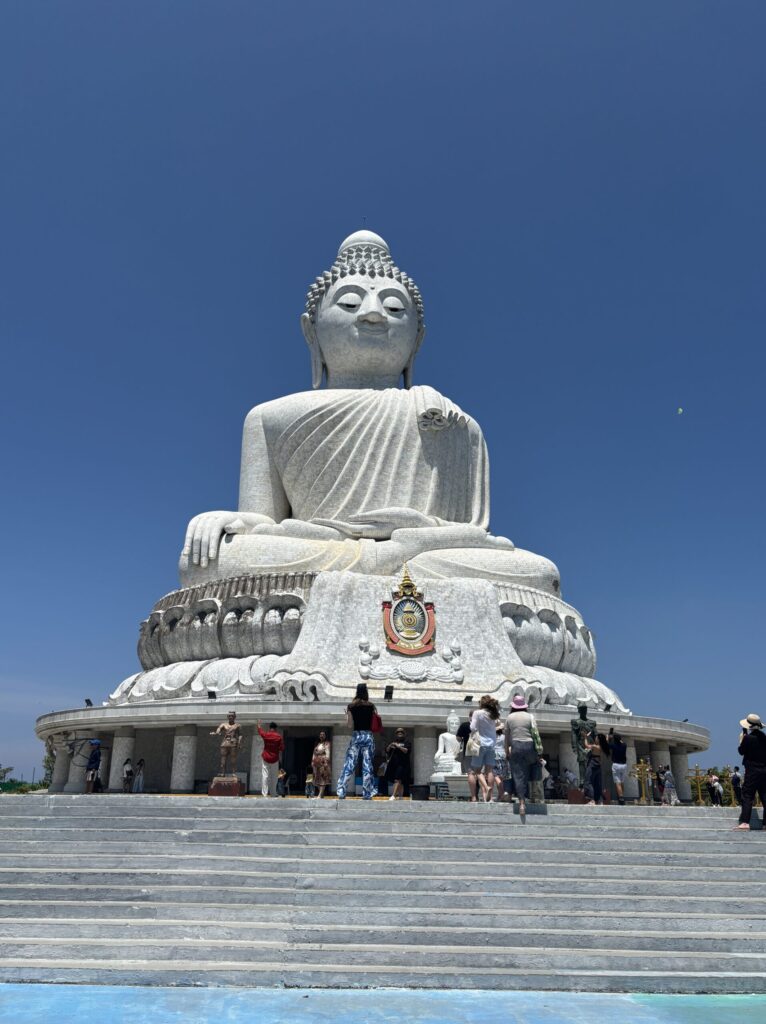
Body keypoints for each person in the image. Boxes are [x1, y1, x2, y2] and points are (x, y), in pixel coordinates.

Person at [336, 683, 378, 800]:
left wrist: (347, 715)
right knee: (367, 765)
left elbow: (349, 725)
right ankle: (367, 793)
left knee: (349, 763)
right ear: (366, 692)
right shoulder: (371, 706)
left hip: (356, 736)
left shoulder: (351, 706)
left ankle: (341, 791)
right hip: (368, 736)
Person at [504, 693, 541, 816]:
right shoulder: (530, 716)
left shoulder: (510, 718)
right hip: (530, 745)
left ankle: (521, 804)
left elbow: (507, 737)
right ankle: (535, 794)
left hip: (516, 746)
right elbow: (535, 734)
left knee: (518, 775)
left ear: (513, 705)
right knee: (533, 766)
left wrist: (506, 751)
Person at [733, 713, 766, 831]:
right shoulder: (764, 737)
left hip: (752, 770)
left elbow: (741, 751)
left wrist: (742, 739)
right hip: (764, 770)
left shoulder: (748, 738)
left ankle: (745, 822)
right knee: (764, 795)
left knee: (747, 795)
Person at [468, 695, 500, 802]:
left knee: (474, 771)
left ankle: (483, 790)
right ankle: (489, 798)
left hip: (480, 744)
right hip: (491, 745)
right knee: (489, 770)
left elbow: (472, 728)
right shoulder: (493, 714)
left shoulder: (478, 713)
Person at [257, 720, 284, 797]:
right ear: (276, 729)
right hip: (274, 759)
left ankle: (264, 794)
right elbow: (282, 748)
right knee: (274, 777)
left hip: (265, 758)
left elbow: (260, 732)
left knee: (265, 775)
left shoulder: (266, 735)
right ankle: (273, 793)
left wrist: (258, 725)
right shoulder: (279, 737)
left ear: (270, 728)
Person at [211, 711, 242, 776]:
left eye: (232, 716)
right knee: (223, 758)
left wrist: (239, 742)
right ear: (227, 717)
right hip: (225, 743)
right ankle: (222, 773)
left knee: (233, 759)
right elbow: (219, 729)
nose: (231, 717)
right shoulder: (223, 724)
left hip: (233, 742)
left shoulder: (238, 725)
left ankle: (233, 773)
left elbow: (240, 734)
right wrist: (216, 732)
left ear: (235, 717)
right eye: (229, 716)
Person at [385, 728, 412, 801]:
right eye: (398, 733)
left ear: (404, 734)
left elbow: (406, 751)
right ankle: (400, 796)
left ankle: (393, 795)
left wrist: (398, 746)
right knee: (399, 781)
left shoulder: (407, 742)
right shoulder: (393, 742)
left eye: (401, 732)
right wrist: (390, 746)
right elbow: (387, 751)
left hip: (403, 764)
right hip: (393, 764)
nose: (399, 733)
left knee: (398, 780)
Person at [582, 734, 606, 805]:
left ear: (598, 740)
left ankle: (592, 800)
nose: (595, 739)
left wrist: (585, 737)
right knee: (597, 783)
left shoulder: (595, 746)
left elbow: (586, 745)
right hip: (598, 765)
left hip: (592, 764)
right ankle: (600, 800)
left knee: (588, 781)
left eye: (596, 738)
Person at [608, 728, 628, 805]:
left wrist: (610, 737)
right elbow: (621, 741)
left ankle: (621, 798)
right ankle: (622, 795)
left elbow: (608, 744)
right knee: (622, 782)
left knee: (617, 782)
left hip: (616, 765)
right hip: (624, 765)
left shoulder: (613, 745)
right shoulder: (624, 745)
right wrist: (616, 736)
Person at [311, 730, 332, 798]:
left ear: (325, 736)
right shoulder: (317, 743)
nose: (321, 735)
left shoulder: (327, 743)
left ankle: (320, 795)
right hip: (316, 763)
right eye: (320, 734)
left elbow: (328, 753)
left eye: (323, 734)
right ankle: (321, 794)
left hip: (323, 762)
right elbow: (314, 753)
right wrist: (312, 761)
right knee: (316, 779)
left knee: (323, 778)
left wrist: (326, 761)